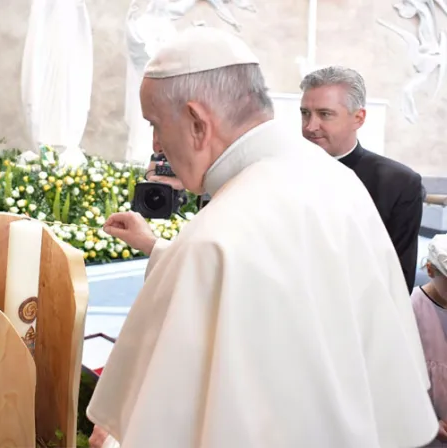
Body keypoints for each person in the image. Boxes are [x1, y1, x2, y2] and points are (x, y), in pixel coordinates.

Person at [85, 26, 439, 448]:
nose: (158, 143)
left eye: (156, 125)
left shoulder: (213, 238)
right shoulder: (334, 180)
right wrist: (161, 249)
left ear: (198, 121)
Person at [299, 66, 423, 293]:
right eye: (305, 113)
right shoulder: (279, 173)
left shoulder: (399, 184)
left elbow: (397, 281)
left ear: (358, 118)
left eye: (325, 114)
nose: (310, 126)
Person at [411, 234, 447, 446]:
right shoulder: (413, 308)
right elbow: (404, 378)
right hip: (426, 423)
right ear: (431, 271)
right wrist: (430, 421)